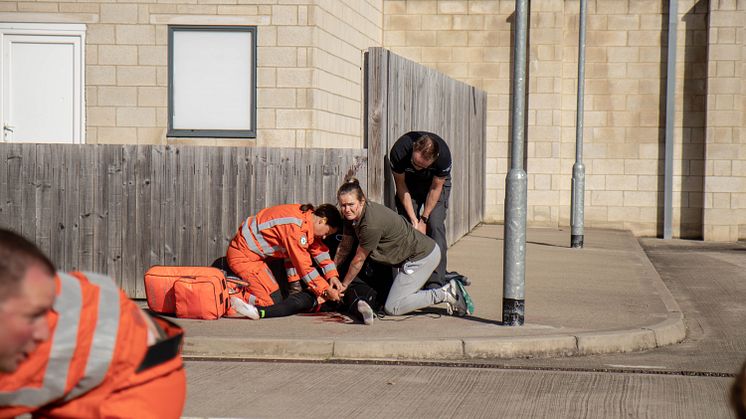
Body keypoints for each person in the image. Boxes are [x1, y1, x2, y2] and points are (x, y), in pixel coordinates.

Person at [0, 228, 186, 418]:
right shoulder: (28, 288)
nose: (44, 332)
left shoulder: (39, 341)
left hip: (131, 392)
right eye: (34, 316)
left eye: (40, 313)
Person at [333, 178, 473, 320]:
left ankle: (446, 293)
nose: (346, 209)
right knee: (393, 299)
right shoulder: (355, 216)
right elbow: (345, 245)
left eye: (351, 204)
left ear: (362, 201)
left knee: (393, 306)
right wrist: (332, 273)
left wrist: (344, 285)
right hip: (413, 256)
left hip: (422, 257)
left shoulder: (370, 224)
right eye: (343, 205)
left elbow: (359, 259)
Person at [227, 203, 343, 319]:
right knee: (268, 303)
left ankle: (241, 288)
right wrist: (325, 290)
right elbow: (304, 268)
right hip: (243, 258)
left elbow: (319, 251)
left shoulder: (305, 219)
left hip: (254, 258)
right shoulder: (296, 229)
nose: (324, 237)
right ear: (322, 221)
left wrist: (332, 276)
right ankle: (232, 292)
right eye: (327, 233)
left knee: (276, 299)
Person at [389, 130, 454, 290]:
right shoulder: (400, 150)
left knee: (435, 224)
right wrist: (414, 220)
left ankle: (435, 283)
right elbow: (401, 186)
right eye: (415, 162)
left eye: (422, 165)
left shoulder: (444, 157)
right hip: (408, 184)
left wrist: (423, 219)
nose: (417, 167)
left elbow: (435, 188)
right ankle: (409, 279)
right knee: (406, 227)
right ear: (413, 149)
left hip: (434, 185)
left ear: (434, 160)